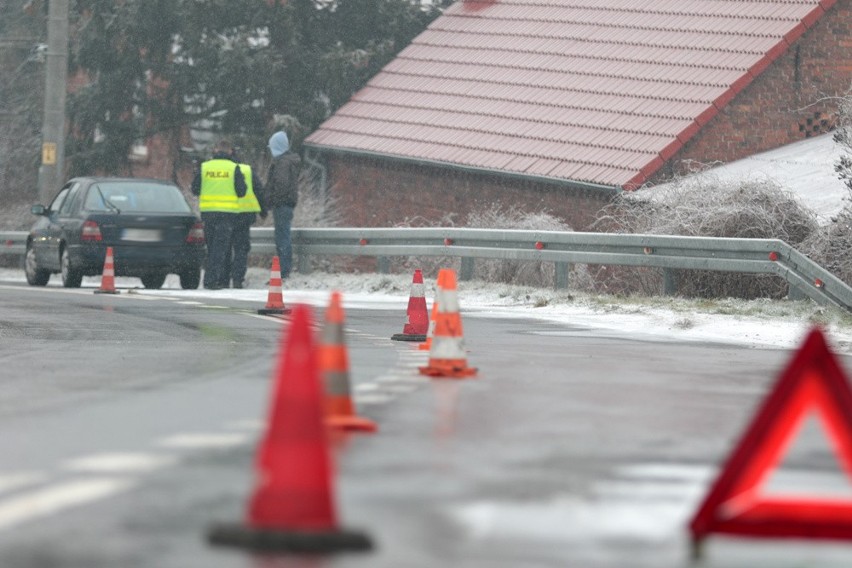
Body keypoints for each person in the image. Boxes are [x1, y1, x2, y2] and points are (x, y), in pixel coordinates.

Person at [190, 139, 248, 290]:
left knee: (212, 247)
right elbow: (241, 191)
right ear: (230, 151)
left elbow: (195, 189)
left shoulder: (205, 167)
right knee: (221, 248)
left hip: (208, 213)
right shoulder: (233, 168)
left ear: (215, 150)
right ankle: (212, 281)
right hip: (227, 214)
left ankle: (218, 280)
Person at [265, 131, 302, 278]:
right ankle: (284, 269)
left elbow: (280, 184)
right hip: (286, 204)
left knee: (282, 238)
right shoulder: (288, 161)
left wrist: (272, 200)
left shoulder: (282, 163)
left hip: (282, 205)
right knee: (283, 236)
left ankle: (284, 270)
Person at [228, 151, 266, 289]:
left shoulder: (224, 171)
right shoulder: (247, 170)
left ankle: (223, 278)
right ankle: (238, 279)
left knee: (225, 247)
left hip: (226, 215)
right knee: (241, 248)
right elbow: (259, 190)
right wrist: (263, 210)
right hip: (244, 215)